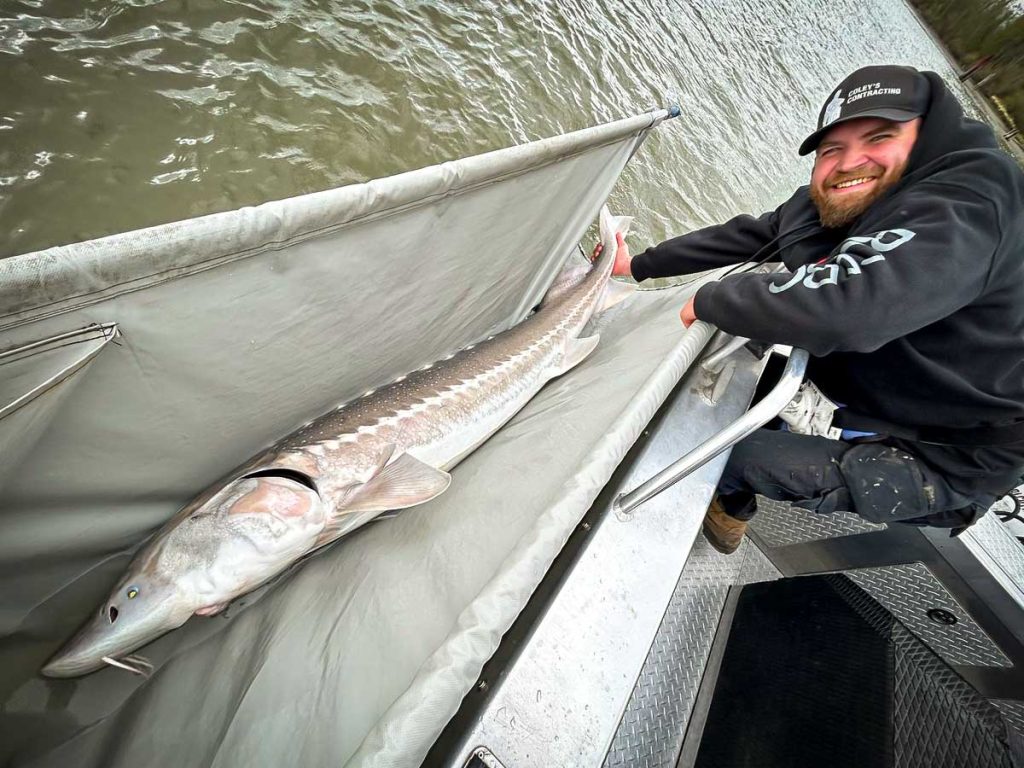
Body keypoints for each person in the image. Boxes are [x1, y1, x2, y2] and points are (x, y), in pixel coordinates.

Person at [605, 65, 1024, 554]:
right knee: (712, 395)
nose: (849, 162)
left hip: (950, 453)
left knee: (717, 458)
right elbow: (749, 235)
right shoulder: (839, 199)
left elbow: (851, 309)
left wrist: (709, 300)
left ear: (928, 137)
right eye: (831, 150)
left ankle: (729, 510)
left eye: (879, 137)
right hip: (871, 385)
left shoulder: (974, 202)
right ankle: (795, 427)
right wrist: (636, 265)